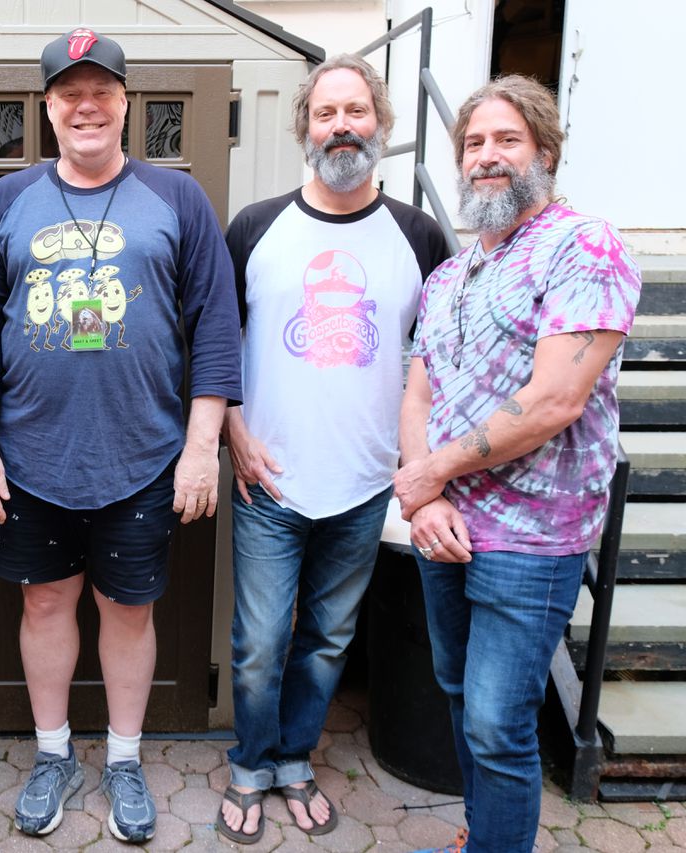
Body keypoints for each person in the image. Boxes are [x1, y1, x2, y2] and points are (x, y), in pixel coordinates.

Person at [0, 27, 241, 844]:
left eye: (101, 92)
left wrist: (201, 448)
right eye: (69, 93)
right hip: (31, 456)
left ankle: (122, 757)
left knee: (128, 609)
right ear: (48, 108)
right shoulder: (9, 201)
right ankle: (53, 754)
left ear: (124, 103)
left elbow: (216, 328)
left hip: (144, 456)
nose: (86, 106)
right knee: (44, 601)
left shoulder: (177, 198)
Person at [394, 75, 640, 853]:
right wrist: (425, 493)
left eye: (507, 139)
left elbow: (554, 399)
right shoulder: (451, 273)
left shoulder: (583, 247)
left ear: (546, 152)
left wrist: (432, 472)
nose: (487, 156)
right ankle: (482, 838)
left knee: (499, 725)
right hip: (445, 527)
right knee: (461, 698)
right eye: (473, 143)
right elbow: (419, 390)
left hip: (532, 539)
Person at [216, 55, 449, 844]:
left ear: (380, 123)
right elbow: (216, 344)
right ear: (305, 129)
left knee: (327, 641)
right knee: (259, 644)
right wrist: (233, 432)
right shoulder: (255, 227)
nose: (341, 126)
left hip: (365, 483)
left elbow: (437, 358)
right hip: (269, 480)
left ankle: (292, 758)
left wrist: (418, 463)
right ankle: (250, 763)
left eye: (356, 111)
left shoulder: (419, 236)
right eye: (326, 113)